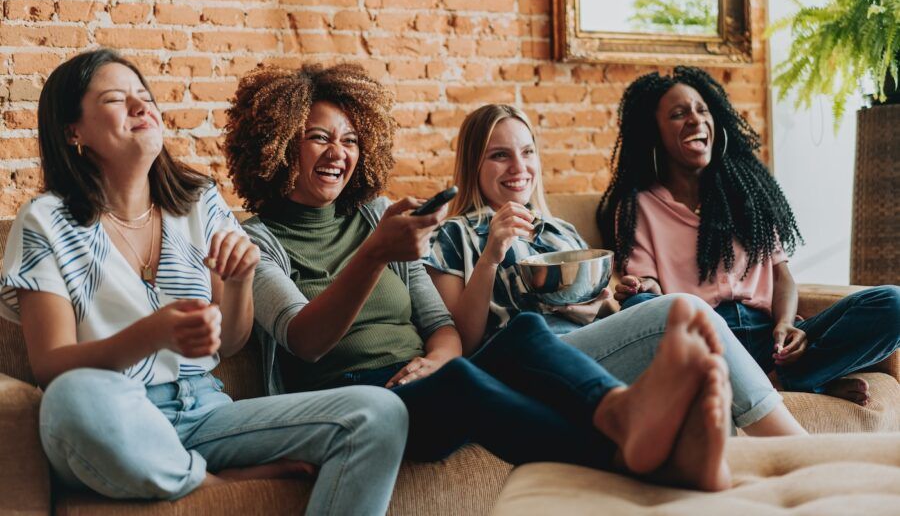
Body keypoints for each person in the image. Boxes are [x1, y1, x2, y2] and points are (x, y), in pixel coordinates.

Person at [225, 63, 736, 492]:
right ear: (278, 143)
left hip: (421, 376)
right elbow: (305, 340)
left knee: (525, 334)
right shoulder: (257, 240)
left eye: (351, 140)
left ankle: (622, 413)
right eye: (320, 138)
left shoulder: (377, 214)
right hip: (351, 397)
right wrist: (375, 255)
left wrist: (434, 361)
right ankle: (637, 455)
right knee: (466, 381)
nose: (339, 152)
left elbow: (440, 325)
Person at [0, 49, 409, 515]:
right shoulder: (45, 222)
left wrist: (237, 283)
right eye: (116, 99)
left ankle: (185, 468)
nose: (141, 107)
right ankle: (204, 478)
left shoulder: (198, 201)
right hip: (116, 414)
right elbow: (53, 366)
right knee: (71, 399)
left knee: (377, 413)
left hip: (207, 412)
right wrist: (152, 334)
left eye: (143, 95)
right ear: (73, 131)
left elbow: (232, 342)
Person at [425, 103, 806, 437]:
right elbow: (462, 340)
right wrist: (492, 253)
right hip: (522, 364)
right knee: (682, 311)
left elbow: (602, 311)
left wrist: (605, 303)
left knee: (697, 366)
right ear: (474, 162)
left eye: (527, 152)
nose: (519, 167)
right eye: (499, 156)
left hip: (591, 354)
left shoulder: (561, 231)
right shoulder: (452, 235)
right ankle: (797, 447)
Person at [597, 65, 900, 406]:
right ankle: (805, 381)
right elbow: (650, 292)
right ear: (655, 133)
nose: (696, 120)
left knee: (893, 304)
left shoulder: (746, 194)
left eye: (702, 110)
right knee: (641, 307)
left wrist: (786, 325)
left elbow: (781, 275)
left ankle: (782, 379)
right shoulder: (639, 206)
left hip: (767, 338)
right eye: (679, 114)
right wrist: (643, 287)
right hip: (705, 339)